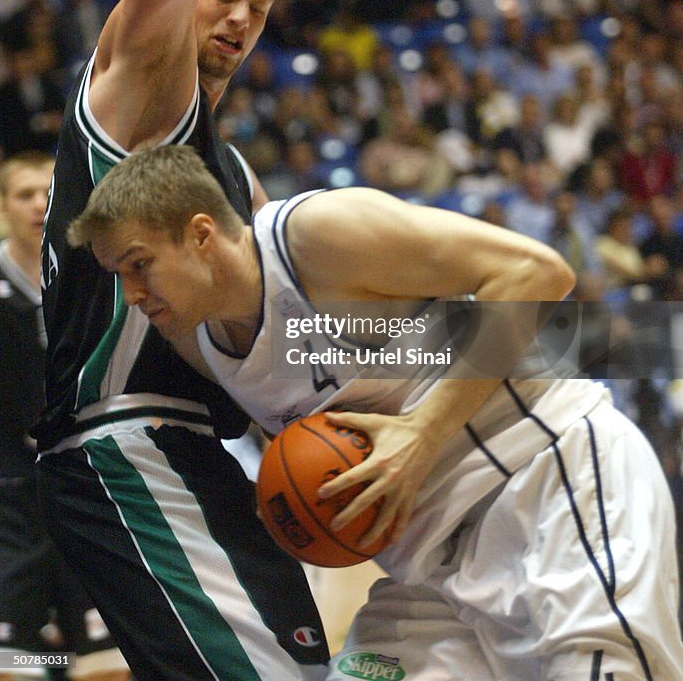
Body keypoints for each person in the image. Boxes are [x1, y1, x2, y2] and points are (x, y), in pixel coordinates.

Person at [70, 144, 683, 681]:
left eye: (139, 264)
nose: (133, 293)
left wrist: (422, 433)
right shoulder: (197, 341)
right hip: (429, 572)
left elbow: (537, 273)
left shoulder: (315, 236)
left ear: (202, 234)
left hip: (549, 484)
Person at [34, 0, 330, 680]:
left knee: (308, 664)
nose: (239, 19)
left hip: (193, 448)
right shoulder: (140, 76)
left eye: (258, 8)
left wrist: (458, 358)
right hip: (124, 440)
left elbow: (275, 339)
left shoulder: (228, 177)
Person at [0, 152, 129, 681]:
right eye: (24, 194)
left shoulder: (85, 277)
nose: (37, 205)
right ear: (4, 206)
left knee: (102, 658)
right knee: (19, 660)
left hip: (84, 477)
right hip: (11, 489)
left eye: (47, 194)